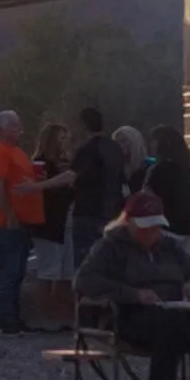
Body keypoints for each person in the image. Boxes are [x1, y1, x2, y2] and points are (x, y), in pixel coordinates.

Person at [75, 190, 190, 380]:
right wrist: (133, 294)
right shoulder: (110, 247)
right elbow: (84, 281)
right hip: (129, 315)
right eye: (145, 226)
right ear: (129, 222)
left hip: (175, 308)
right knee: (170, 324)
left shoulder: (170, 246)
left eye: (155, 226)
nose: (151, 232)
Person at [0, 109, 47, 332]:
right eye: (15, 125)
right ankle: (5, 321)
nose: (20, 129)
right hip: (7, 223)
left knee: (18, 271)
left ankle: (14, 318)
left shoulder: (16, 151)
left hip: (22, 221)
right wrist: (9, 214)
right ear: (2, 129)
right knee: (9, 271)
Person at [65, 107, 129, 273]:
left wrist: (35, 186)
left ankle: (86, 297)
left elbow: (71, 177)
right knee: (109, 264)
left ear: (83, 125)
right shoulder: (114, 148)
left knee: (85, 265)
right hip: (112, 213)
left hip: (88, 212)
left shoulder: (87, 150)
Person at [27, 122, 78, 326]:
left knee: (67, 272)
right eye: (61, 137)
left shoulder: (67, 162)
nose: (64, 142)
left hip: (67, 221)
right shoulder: (41, 164)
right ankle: (44, 316)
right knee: (48, 271)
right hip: (49, 223)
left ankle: (65, 315)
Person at [143, 124, 190, 248]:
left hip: (165, 227)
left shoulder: (158, 170)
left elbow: (147, 197)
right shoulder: (185, 168)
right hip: (186, 227)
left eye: (154, 141)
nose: (151, 145)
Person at [111, 124, 149, 196]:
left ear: (134, 142)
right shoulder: (114, 168)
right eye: (116, 142)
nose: (120, 145)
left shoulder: (146, 167)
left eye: (123, 141)